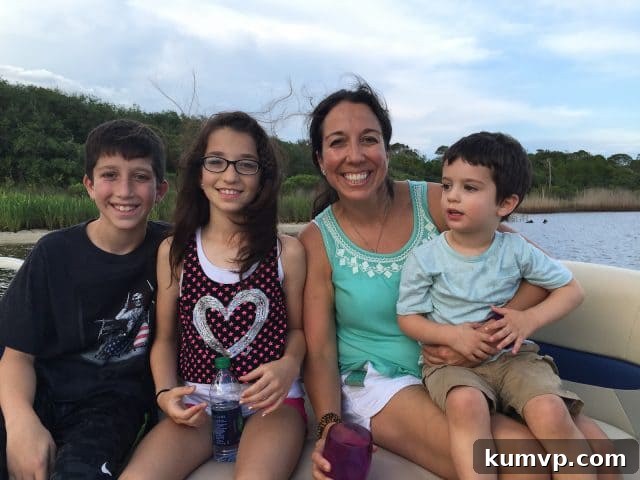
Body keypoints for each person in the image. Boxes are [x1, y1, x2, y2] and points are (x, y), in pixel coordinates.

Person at [300, 80, 618, 480]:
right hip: (382, 378)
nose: (355, 156)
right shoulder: (317, 238)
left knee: (601, 453)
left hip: (476, 364)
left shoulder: (436, 200)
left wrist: (479, 339)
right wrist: (329, 425)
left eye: (368, 139)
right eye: (337, 143)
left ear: (386, 148)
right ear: (319, 157)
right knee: (522, 463)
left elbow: (536, 272)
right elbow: (322, 349)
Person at [396, 132, 596, 479]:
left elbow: (571, 290)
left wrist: (527, 319)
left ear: (504, 204)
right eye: (447, 186)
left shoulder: (516, 250)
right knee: (466, 405)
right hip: (451, 366)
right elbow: (408, 318)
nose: (452, 197)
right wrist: (452, 336)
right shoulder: (425, 258)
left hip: (514, 358)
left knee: (550, 412)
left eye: (470, 188)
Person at [120, 111, 307, 480]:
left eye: (246, 164)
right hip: (199, 402)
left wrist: (289, 366)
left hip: (271, 403)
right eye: (216, 161)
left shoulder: (287, 252)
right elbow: (166, 338)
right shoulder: (175, 251)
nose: (231, 175)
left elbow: (298, 331)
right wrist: (164, 393)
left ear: (262, 176)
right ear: (199, 173)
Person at [0, 119, 170, 479]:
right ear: (89, 186)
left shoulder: (174, 248)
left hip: (113, 404)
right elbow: (16, 355)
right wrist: (20, 423)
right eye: (110, 174)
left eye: (140, 176)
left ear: (161, 190)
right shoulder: (53, 253)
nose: (124, 190)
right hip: (42, 388)